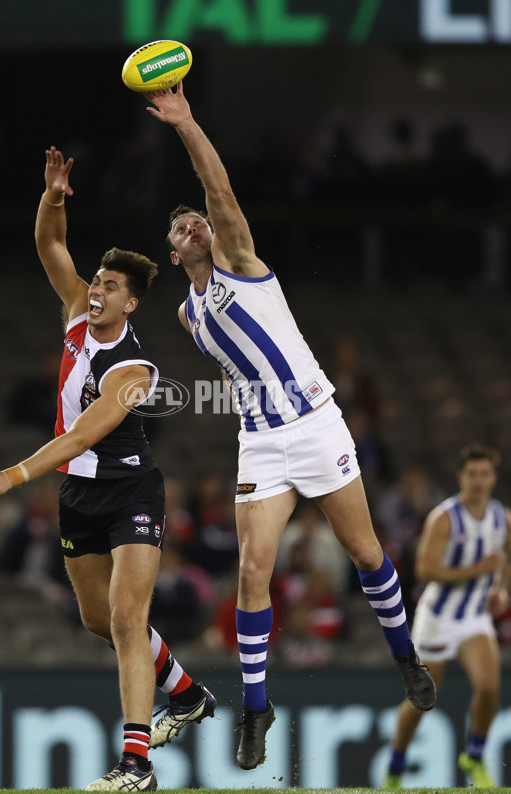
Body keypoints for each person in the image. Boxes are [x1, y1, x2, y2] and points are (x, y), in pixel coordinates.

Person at [144, 82, 436, 771]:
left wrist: (186, 124)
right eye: (179, 225)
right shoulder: (188, 313)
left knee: (366, 554)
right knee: (252, 572)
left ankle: (405, 657)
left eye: (199, 222)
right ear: (170, 245)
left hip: (317, 425)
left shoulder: (240, 262)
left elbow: (218, 191)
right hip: (262, 442)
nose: (192, 226)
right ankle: (255, 707)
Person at [0, 147, 216, 792]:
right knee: (97, 622)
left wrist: (11, 477)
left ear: (130, 306)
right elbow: (50, 245)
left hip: (131, 490)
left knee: (128, 619)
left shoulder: (132, 372)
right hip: (80, 497)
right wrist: (53, 196)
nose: (95, 288)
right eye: (96, 280)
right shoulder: (76, 313)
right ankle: (185, 694)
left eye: (109, 286)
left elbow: (78, 438)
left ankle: (136, 766)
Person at [383, 444, 511, 789]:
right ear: (461, 478)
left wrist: (502, 589)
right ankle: (395, 765)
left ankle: (475, 755)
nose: (479, 481)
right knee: (422, 701)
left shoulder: (503, 517)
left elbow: (507, 558)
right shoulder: (445, 517)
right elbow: (424, 569)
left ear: (493, 478)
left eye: (485, 474)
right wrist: (477, 570)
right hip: (437, 619)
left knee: (488, 688)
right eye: (472, 474)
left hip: (474, 618)